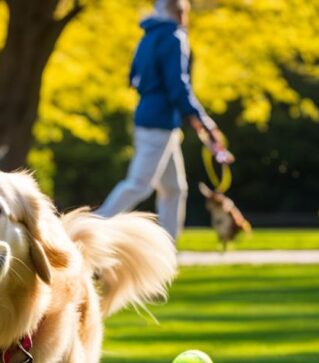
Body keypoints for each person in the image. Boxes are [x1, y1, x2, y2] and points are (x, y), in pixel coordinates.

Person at [96, 0, 233, 240]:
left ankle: (167, 248)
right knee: (139, 184)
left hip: (149, 117)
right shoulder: (174, 38)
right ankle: (91, 228)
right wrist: (205, 122)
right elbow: (179, 87)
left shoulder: (148, 36)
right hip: (158, 122)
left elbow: (133, 76)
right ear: (180, 11)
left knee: (174, 189)